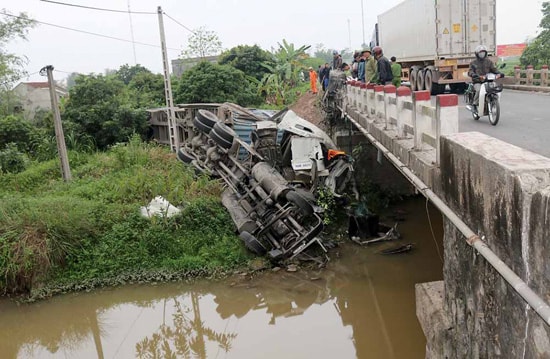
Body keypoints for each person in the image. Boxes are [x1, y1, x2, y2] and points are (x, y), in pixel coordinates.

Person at [467, 45, 503, 113]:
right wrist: (473, 74)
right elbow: (470, 71)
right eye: (480, 53)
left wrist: (499, 73)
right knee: (479, 90)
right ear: (477, 54)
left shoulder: (489, 62)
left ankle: (492, 102)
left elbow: (494, 69)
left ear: (486, 53)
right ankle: (474, 105)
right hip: (478, 81)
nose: (482, 54)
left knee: (495, 89)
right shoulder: (473, 63)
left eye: (483, 52)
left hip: (488, 81)